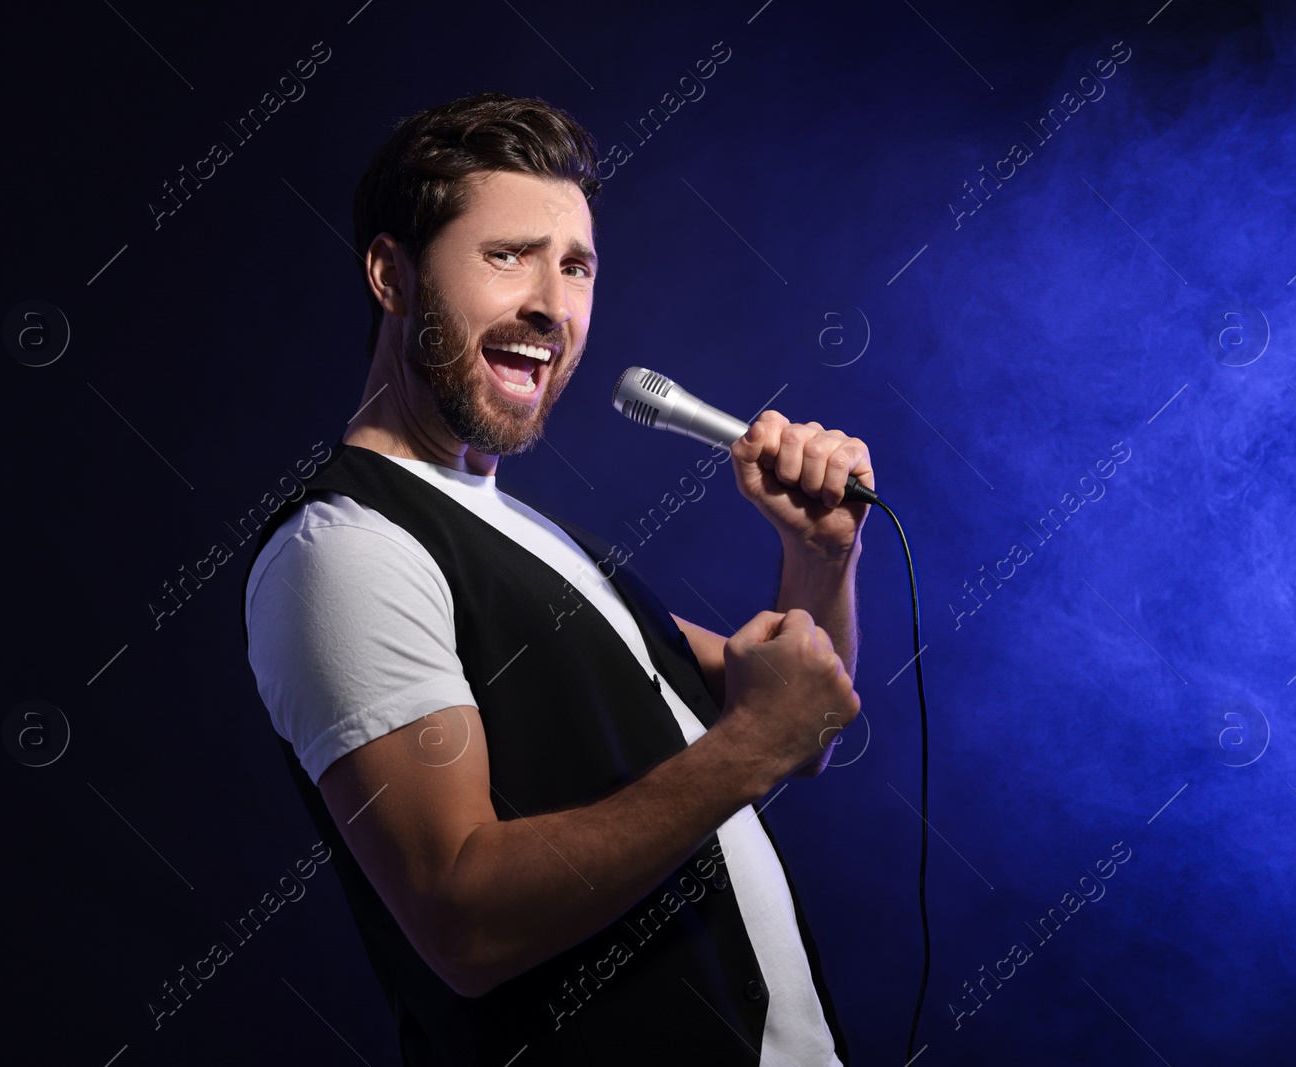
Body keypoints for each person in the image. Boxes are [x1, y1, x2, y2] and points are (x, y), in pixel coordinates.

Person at [242, 92, 876, 1066]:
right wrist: (751, 743)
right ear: (391, 274)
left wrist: (819, 555)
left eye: (575, 265)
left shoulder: (535, 535)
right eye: (506, 256)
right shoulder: (347, 547)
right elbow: (463, 920)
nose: (551, 303)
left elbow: (800, 720)